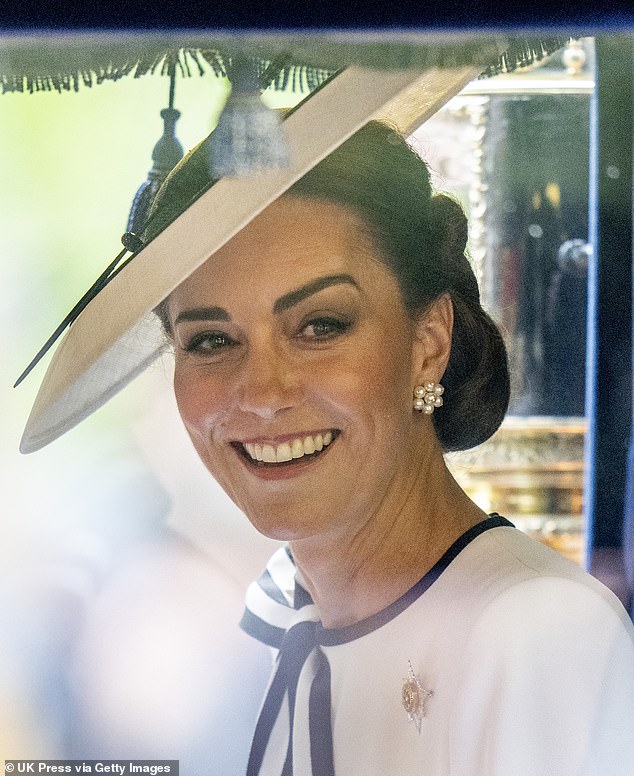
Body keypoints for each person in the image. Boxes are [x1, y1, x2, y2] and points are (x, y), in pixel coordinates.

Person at [134, 120, 634, 775]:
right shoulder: (281, 626)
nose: (260, 393)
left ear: (428, 343)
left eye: (320, 326)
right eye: (210, 341)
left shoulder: (539, 632)